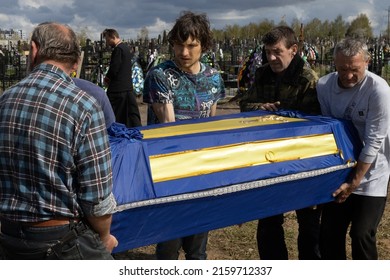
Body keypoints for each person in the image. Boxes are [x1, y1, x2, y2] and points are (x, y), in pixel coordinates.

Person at [0, 22, 118, 260]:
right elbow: (97, 198)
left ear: (34, 50)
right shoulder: (84, 106)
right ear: (75, 63)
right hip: (61, 241)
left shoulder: (5, 99)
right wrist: (104, 237)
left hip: (10, 237)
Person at [143, 11, 225, 260]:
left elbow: (211, 124)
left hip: (201, 167)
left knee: (198, 245)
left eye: (191, 45)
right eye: (179, 44)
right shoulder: (160, 76)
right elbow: (169, 127)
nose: (184, 52)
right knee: (169, 242)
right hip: (170, 166)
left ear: (204, 45)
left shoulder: (213, 79)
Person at [237, 26, 321, 260]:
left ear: (293, 50)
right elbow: (245, 104)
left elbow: (314, 124)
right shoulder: (263, 73)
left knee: (309, 224)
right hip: (269, 158)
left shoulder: (307, 79)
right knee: (268, 222)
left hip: (302, 160)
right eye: (267, 52)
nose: (271, 58)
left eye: (277, 52)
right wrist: (261, 108)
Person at [317, 38, 390, 260]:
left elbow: (374, 140)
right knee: (329, 233)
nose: (348, 76)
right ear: (334, 64)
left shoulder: (378, 90)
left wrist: (354, 181)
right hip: (340, 169)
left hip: (372, 171)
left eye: (354, 69)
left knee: (361, 233)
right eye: (342, 69)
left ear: (367, 62)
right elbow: (328, 129)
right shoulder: (324, 86)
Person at [103, 28, 141, 127]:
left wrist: (107, 79)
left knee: (115, 114)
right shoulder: (125, 47)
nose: (107, 42)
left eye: (107, 39)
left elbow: (114, 68)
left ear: (113, 37)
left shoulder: (118, 49)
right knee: (128, 115)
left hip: (117, 89)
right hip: (127, 87)